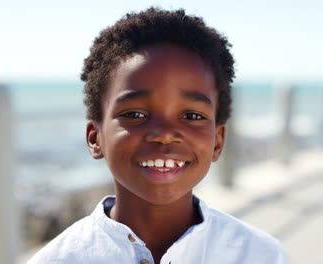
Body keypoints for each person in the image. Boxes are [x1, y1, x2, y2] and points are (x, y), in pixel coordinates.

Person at [29, 7, 287, 264]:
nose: (165, 135)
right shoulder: (57, 259)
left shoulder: (259, 255)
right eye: (134, 114)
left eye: (193, 116)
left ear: (218, 142)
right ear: (95, 138)